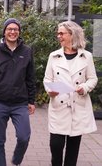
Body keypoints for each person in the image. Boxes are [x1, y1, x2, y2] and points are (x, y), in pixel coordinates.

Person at [0, 18, 36, 166]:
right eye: (9, 29)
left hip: (20, 104)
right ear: (4, 32)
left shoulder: (27, 51)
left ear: (19, 32)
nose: (12, 32)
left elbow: (30, 78)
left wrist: (31, 101)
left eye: (15, 29)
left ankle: (16, 161)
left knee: (24, 137)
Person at [43, 21, 98, 166]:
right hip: (58, 108)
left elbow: (92, 78)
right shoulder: (54, 56)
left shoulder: (86, 56)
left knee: (72, 151)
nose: (58, 36)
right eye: (58, 33)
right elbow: (47, 79)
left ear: (72, 34)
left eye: (61, 33)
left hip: (78, 108)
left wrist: (84, 88)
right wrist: (51, 90)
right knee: (56, 146)